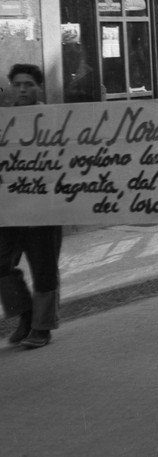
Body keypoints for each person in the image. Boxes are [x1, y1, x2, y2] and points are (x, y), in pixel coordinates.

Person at [1, 64, 62, 349]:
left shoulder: (56, 119)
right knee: (1, 265)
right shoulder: (3, 121)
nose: (22, 89)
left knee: (44, 269)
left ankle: (42, 327)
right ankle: (24, 313)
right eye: (17, 84)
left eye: (28, 84)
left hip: (44, 209)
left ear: (39, 87)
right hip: (8, 210)